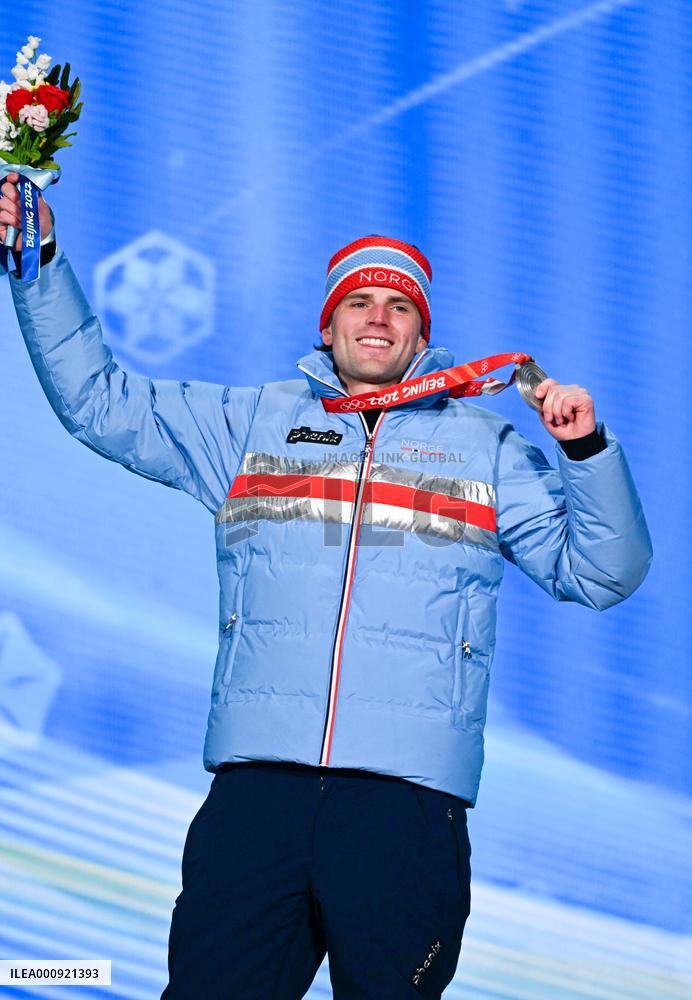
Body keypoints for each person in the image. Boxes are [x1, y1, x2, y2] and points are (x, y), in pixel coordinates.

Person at [1, 174, 652, 1000]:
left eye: (399, 305)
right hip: (258, 793)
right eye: (359, 301)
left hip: (405, 803)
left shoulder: (485, 446)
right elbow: (99, 402)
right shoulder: (250, 423)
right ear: (328, 324)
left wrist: (588, 454)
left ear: (422, 334)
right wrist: (40, 261)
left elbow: (602, 573)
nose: (377, 316)